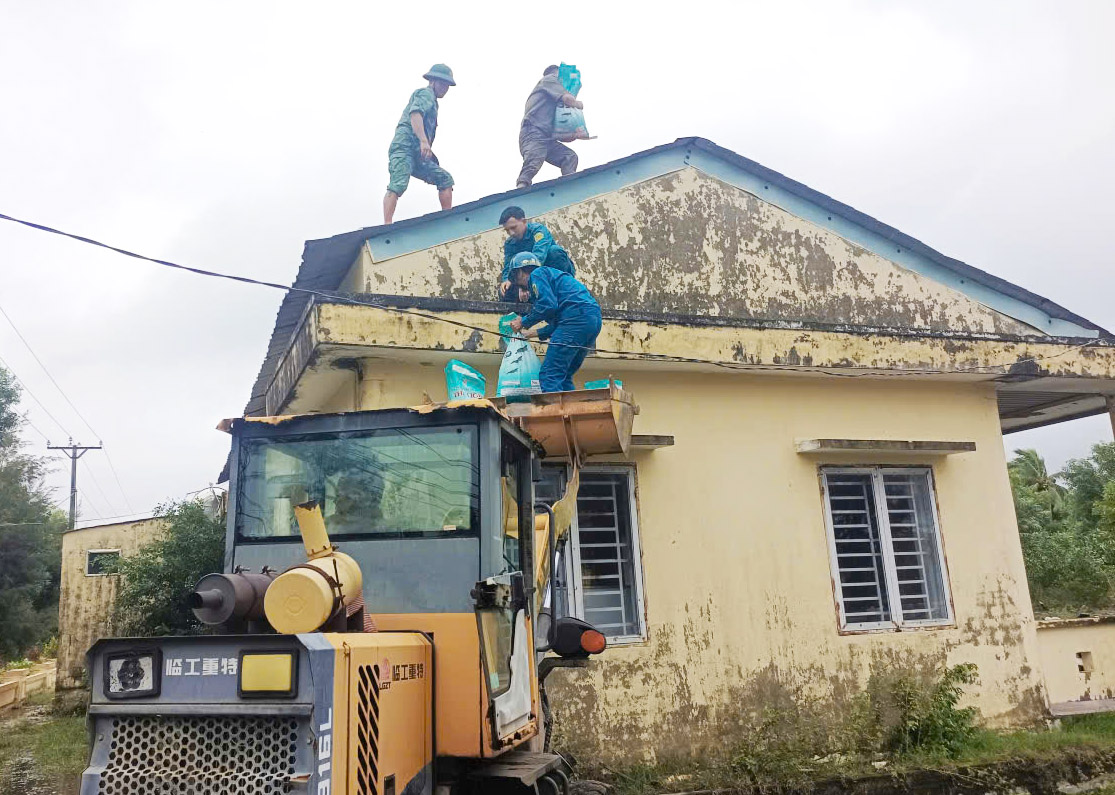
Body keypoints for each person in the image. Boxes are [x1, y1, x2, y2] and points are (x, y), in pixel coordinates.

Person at [507, 252, 601, 393]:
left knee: (550, 374)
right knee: (564, 375)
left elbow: (547, 306)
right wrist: (533, 333)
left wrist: (523, 321)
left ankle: (553, 414)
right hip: (591, 320)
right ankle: (569, 413)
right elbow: (560, 323)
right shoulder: (551, 278)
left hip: (576, 318)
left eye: (515, 279)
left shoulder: (537, 274)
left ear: (519, 272)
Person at [384, 64, 456, 225]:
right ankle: (386, 224)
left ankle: (448, 218)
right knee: (398, 183)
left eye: (447, 85)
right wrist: (424, 141)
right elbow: (415, 113)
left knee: (445, 179)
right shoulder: (426, 94)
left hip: (419, 154)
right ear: (432, 81)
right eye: (442, 84)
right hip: (405, 147)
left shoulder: (433, 101)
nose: (445, 88)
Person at [516, 65, 583, 189]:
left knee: (569, 156)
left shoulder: (553, 104)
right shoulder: (549, 79)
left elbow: (561, 135)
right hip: (533, 132)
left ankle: (570, 186)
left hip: (546, 137)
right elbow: (568, 99)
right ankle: (521, 188)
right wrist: (578, 104)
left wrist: (575, 135)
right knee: (534, 159)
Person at [497, 206, 575, 299]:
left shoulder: (538, 231)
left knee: (555, 251)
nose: (511, 233)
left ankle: (563, 291)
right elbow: (508, 265)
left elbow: (539, 257)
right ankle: (528, 301)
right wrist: (507, 280)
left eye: (513, 228)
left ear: (524, 221)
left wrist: (527, 281)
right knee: (505, 290)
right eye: (507, 230)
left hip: (547, 272)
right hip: (527, 279)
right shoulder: (510, 243)